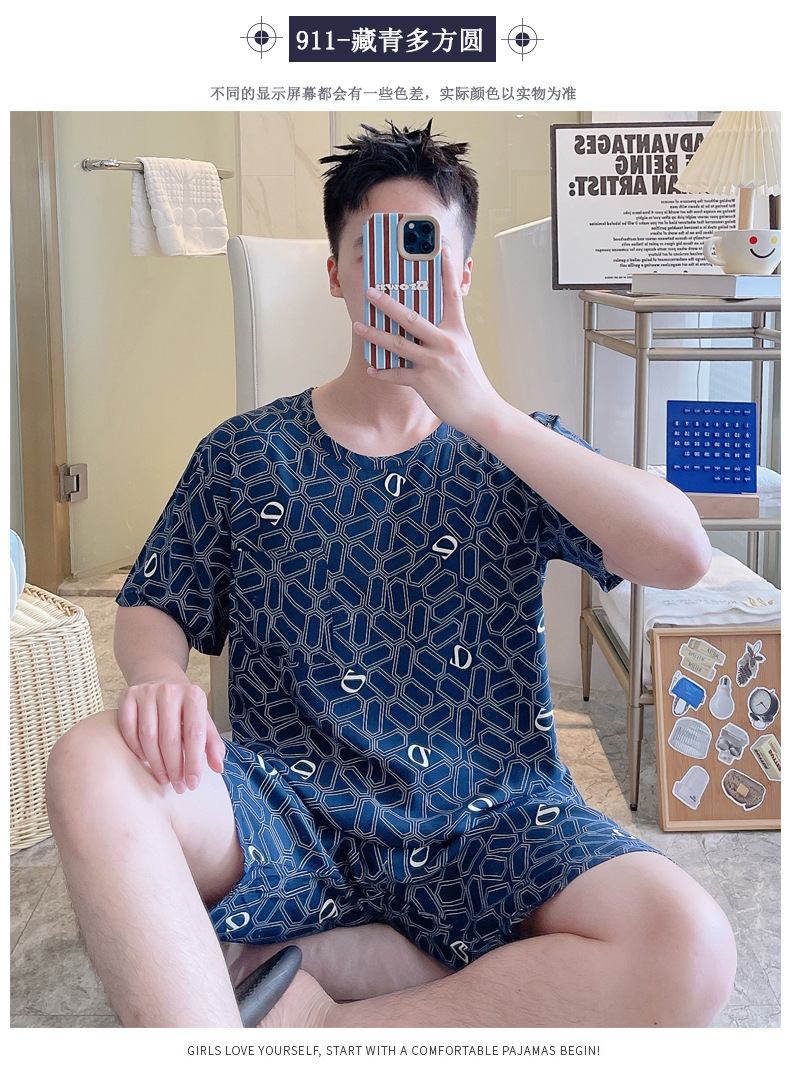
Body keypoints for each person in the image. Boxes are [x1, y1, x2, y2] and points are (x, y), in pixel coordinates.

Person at [46, 121, 736, 1029]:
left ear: (462, 274)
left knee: (691, 947)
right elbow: (155, 602)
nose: (396, 278)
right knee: (91, 759)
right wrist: (157, 675)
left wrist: (484, 412)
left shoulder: (514, 452)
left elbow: (682, 553)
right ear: (337, 273)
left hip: (492, 817)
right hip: (286, 810)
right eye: (373, 251)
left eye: (423, 251)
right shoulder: (246, 453)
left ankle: (317, 1008)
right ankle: (296, 990)